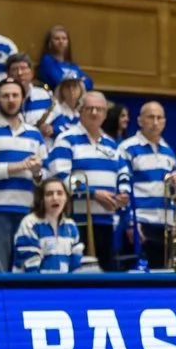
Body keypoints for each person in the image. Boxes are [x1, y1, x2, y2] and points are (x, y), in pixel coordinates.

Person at [0, 76, 48, 272]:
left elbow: (43, 178)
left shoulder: (34, 133)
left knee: (27, 271)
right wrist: (20, 166)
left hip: (28, 211)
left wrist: (37, 173)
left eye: (15, 95)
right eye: (5, 96)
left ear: (22, 98)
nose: (11, 99)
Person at [46, 90, 128, 269]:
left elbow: (123, 173)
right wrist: (93, 194)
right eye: (89, 108)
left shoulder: (112, 144)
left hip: (107, 221)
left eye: (99, 109)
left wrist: (123, 194)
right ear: (80, 111)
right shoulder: (66, 140)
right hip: (77, 221)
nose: (94, 113)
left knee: (106, 275)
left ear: (105, 114)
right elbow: (60, 177)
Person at [120, 100, 176, 270]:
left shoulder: (168, 152)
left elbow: (171, 193)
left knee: (164, 276)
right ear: (140, 121)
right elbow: (122, 189)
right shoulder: (127, 148)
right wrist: (130, 223)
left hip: (166, 225)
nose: (155, 123)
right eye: (150, 117)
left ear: (164, 122)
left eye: (159, 118)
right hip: (141, 223)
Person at [12, 176, 85, 273]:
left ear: (66, 198)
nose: (55, 198)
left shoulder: (71, 226)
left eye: (60, 193)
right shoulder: (30, 223)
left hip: (63, 286)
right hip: (34, 286)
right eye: (49, 194)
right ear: (41, 199)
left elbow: (76, 265)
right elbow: (29, 266)